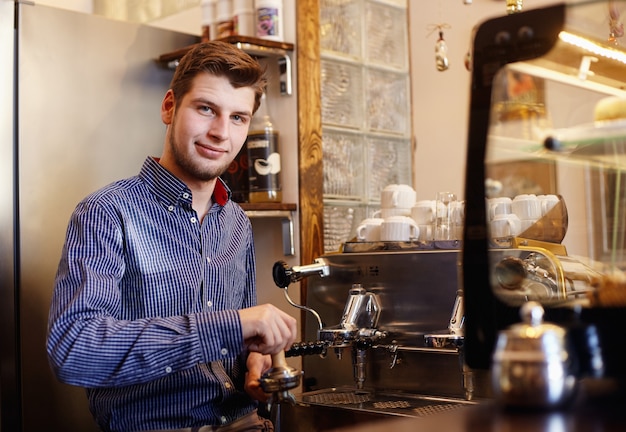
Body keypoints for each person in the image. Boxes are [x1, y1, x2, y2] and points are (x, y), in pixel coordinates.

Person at [46, 41, 297, 432]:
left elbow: (241, 339)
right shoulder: (107, 213)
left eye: (238, 118)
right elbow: (76, 350)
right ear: (169, 107)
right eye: (206, 109)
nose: (220, 133)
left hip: (246, 421)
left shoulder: (236, 222)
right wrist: (230, 325)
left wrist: (254, 362)